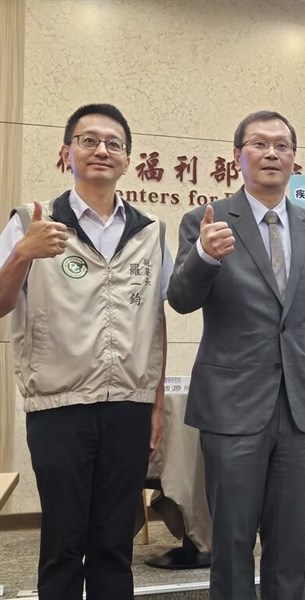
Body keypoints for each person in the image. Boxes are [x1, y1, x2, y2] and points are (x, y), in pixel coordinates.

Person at [167, 110, 305, 600]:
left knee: (290, 545)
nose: (271, 153)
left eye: (282, 146)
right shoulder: (207, 221)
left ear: (293, 159)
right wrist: (203, 256)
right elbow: (180, 299)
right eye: (259, 144)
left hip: (300, 407)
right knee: (233, 542)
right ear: (237, 155)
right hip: (232, 408)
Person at [0, 103, 170, 600]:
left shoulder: (150, 231)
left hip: (129, 408)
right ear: (66, 152)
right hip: (58, 406)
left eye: (113, 143)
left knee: (115, 543)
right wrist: (21, 254)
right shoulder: (31, 221)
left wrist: (156, 406)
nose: (100, 150)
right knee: (63, 542)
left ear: (127, 160)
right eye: (88, 139)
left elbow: (154, 322)